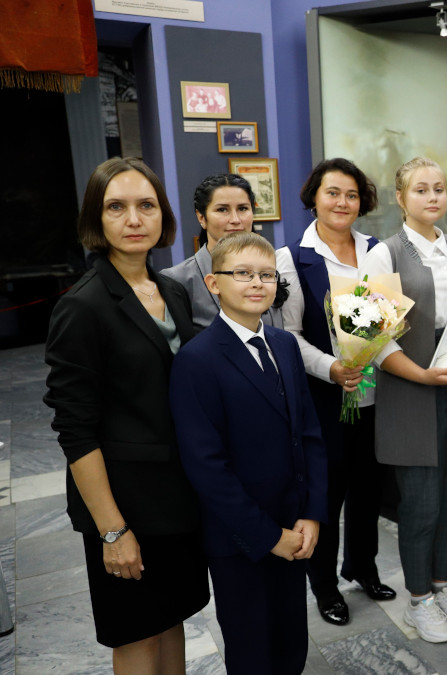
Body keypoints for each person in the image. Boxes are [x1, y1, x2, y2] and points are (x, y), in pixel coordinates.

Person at [44, 157, 209, 672]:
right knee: (137, 634)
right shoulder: (83, 306)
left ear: (164, 216)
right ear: (96, 219)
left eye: (146, 206)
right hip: (125, 505)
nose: (134, 219)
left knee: (173, 618)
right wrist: (112, 531)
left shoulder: (172, 291)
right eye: (116, 207)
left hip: (177, 497)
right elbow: (76, 431)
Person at [170, 233, 325, 674]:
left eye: (266, 275)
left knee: (291, 641)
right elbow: (206, 466)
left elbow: (309, 434)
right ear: (214, 284)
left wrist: (312, 513)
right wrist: (268, 536)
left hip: (294, 524)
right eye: (242, 273)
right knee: (252, 647)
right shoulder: (197, 359)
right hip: (241, 538)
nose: (257, 283)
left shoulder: (284, 344)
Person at [363, 157, 447, 643]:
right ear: (400, 198)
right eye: (420, 189)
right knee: (420, 505)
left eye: (439, 188)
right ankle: (418, 600)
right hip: (410, 389)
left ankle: (442, 585)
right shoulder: (384, 255)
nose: (432, 197)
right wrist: (421, 375)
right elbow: (370, 337)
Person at [276, 158, 394, 627]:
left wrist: (373, 351)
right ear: (314, 198)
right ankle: (324, 586)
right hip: (323, 399)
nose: (342, 202)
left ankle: (363, 568)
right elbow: (289, 335)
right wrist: (332, 368)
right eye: (333, 193)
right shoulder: (292, 257)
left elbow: (386, 322)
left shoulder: (376, 251)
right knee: (324, 497)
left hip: (375, 395)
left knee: (368, 492)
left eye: (351, 194)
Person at [163, 174, 285, 333]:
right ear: (201, 217)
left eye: (242, 208)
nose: (235, 219)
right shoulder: (177, 280)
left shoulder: (269, 270)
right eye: (222, 209)